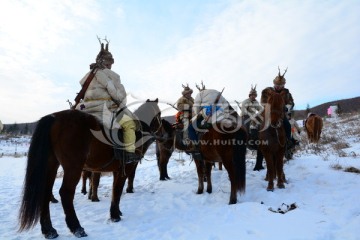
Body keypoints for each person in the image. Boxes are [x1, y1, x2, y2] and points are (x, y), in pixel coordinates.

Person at [76, 39, 139, 162]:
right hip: (104, 108)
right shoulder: (112, 75)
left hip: (85, 108)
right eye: (111, 62)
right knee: (129, 124)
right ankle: (129, 154)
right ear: (109, 63)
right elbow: (119, 96)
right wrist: (121, 103)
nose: (111, 65)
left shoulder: (87, 76)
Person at [260, 67, 295, 152]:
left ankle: (288, 141)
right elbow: (263, 101)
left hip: (281, 113)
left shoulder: (287, 93)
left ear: (283, 85)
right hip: (268, 112)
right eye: (277, 85)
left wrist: (286, 108)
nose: (278, 87)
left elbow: (291, 103)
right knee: (257, 123)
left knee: (287, 125)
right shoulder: (267, 91)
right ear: (274, 83)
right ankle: (256, 141)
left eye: (280, 85)